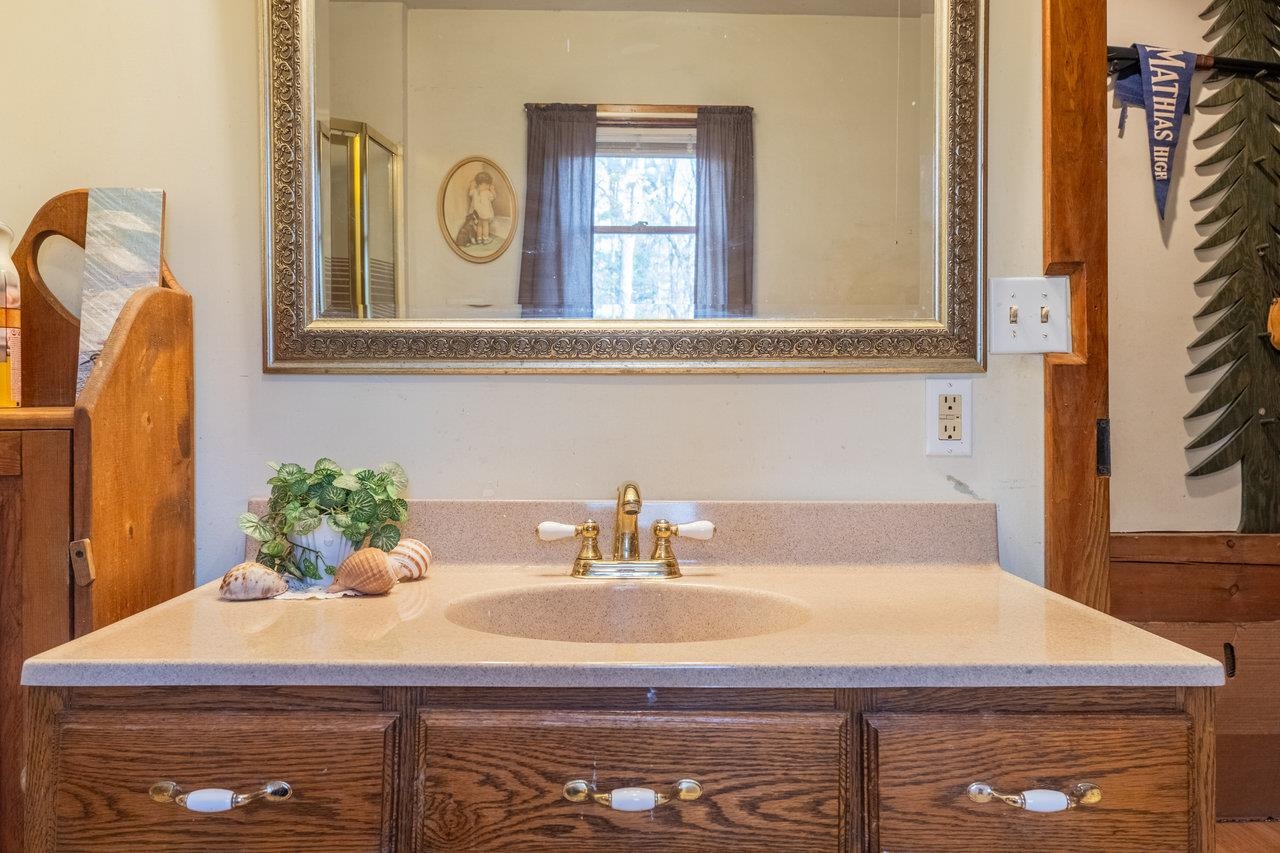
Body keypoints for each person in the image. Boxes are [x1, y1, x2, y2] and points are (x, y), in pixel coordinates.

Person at [468, 171, 497, 245]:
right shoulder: (487, 192)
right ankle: (486, 238)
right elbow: (493, 197)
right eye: (487, 185)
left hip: (477, 213)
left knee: (479, 225)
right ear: (481, 184)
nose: (488, 186)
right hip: (485, 213)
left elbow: (470, 193)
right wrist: (493, 190)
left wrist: (472, 185)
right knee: (485, 225)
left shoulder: (474, 191)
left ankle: (479, 239)